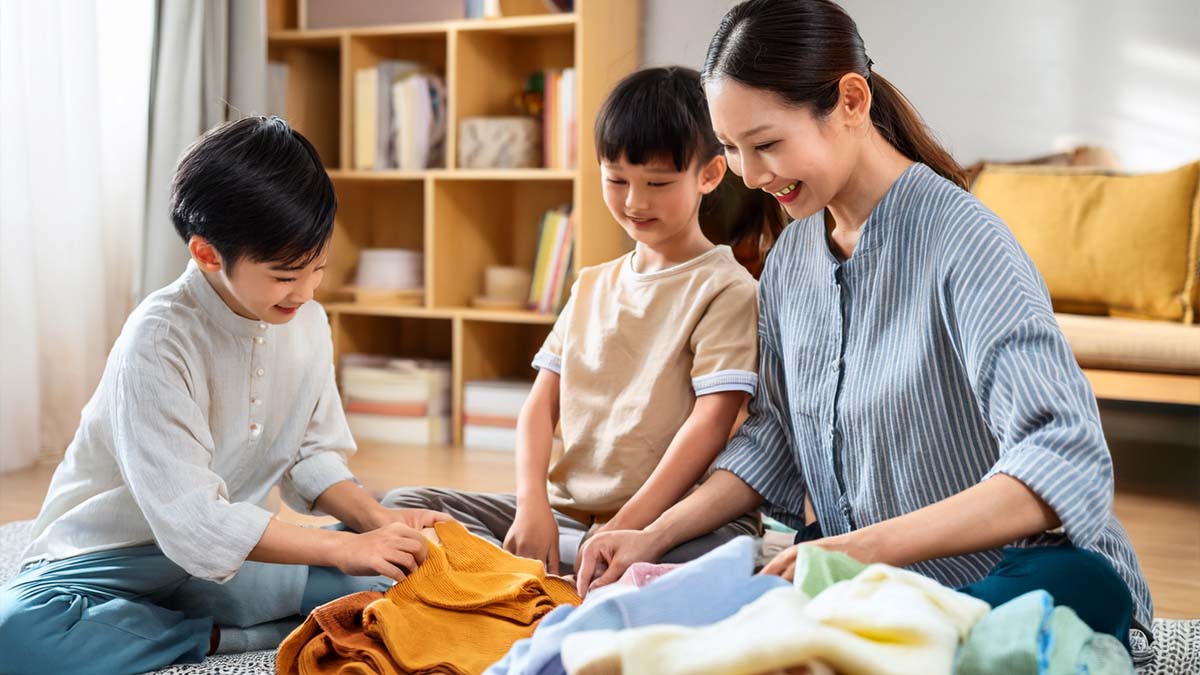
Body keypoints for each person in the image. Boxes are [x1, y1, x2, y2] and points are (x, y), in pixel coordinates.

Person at [575, 0, 1152, 647]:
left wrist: (863, 547)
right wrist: (651, 531)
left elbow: (1063, 453)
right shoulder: (791, 260)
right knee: (702, 589)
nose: (752, 175)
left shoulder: (964, 241)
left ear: (852, 100)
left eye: (766, 144)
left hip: (1023, 571)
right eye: (733, 149)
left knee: (1014, 610)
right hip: (886, 583)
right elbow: (774, 444)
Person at [0, 117, 449, 675]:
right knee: (16, 639)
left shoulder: (307, 320)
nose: (306, 292)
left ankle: (219, 620)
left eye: (319, 269)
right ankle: (225, 638)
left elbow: (312, 455)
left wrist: (375, 522)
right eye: (286, 276)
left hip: (228, 562)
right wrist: (337, 549)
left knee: (403, 573)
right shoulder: (158, 339)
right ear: (208, 253)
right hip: (110, 562)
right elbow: (193, 522)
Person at [384, 67, 782, 575]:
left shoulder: (726, 289)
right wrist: (531, 507)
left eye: (657, 183)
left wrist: (628, 527)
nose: (635, 201)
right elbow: (538, 408)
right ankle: (564, 566)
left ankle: (546, 571)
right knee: (401, 506)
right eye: (616, 180)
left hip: (673, 522)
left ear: (709, 174)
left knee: (720, 557)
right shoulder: (591, 283)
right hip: (570, 514)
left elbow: (712, 424)